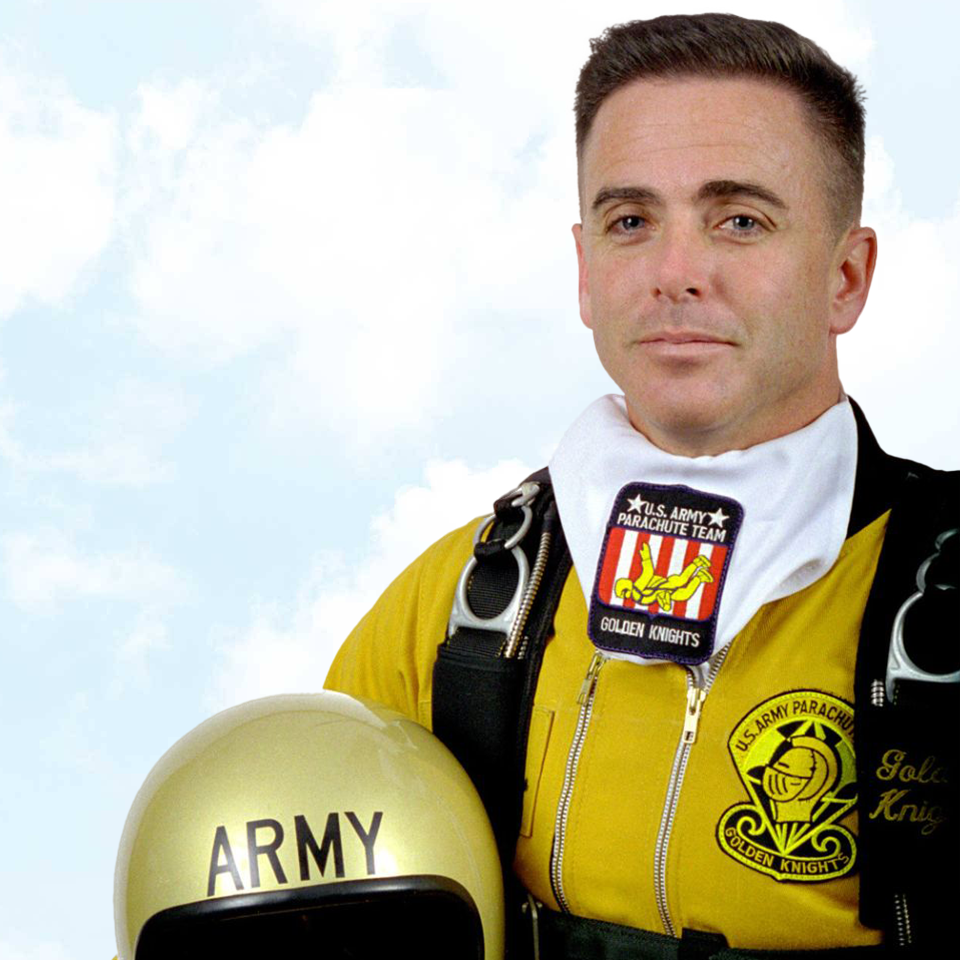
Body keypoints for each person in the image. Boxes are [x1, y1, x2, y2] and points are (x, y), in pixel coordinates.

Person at [325, 13, 957, 957]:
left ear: (847, 277)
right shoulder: (454, 610)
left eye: (739, 219)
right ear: (586, 272)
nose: (675, 274)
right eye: (631, 222)